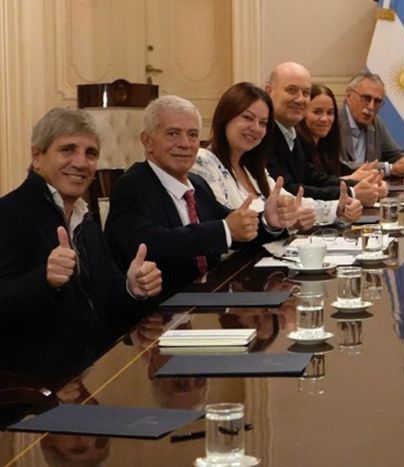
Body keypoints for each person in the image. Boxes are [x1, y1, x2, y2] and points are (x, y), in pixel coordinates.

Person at [0, 108, 162, 375]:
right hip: (36, 384)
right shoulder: (9, 214)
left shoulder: (86, 222)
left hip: (97, 371)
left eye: (90, 153)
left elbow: (108, 301)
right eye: (67, 150)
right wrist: (45, 280)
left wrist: (133, 287)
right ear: (37, 157)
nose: (81, 162)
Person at [105, 96, 296, 300]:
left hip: (212, 297)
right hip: (163, 307)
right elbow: (150, 242)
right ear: (147, 141)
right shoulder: (133, 185)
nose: (185, 144)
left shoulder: (197, 184)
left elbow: (235, 227)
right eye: (173, 134)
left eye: (193, 135)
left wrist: (268, 221)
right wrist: (225, 230)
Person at [190, 82, 317, 230]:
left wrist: (336, 208)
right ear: (225, 117)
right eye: (248, 118)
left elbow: (296, 205)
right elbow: (225, 224)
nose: (256, 128)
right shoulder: (203, 161)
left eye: (263, 123)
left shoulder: (253, 169)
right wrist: (269, 221)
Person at [264, 61, 379, 211]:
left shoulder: (290, 132)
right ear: (268, 91)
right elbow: (288, 190)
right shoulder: (263, 134)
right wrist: (352, 192)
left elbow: (311, 177)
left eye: (306, 93)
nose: (300, 99)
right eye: (291, 90)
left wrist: (361, 186)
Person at [340, 70, 404, 176]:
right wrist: (390, 169)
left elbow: (396, 155)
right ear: (348, 96)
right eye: (366, 98)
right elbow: (342, 166)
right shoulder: (332, 122)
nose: (371, 107)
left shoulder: (376, 123)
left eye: (377, 101)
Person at [298, 83, 380, 183]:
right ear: (302, 113)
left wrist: (366, 175)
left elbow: (342, 171)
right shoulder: (297, 147)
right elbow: (312, 183)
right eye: (317, 112)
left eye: (330, 113)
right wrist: (351, 179)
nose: (325, 119)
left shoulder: (325, 146)